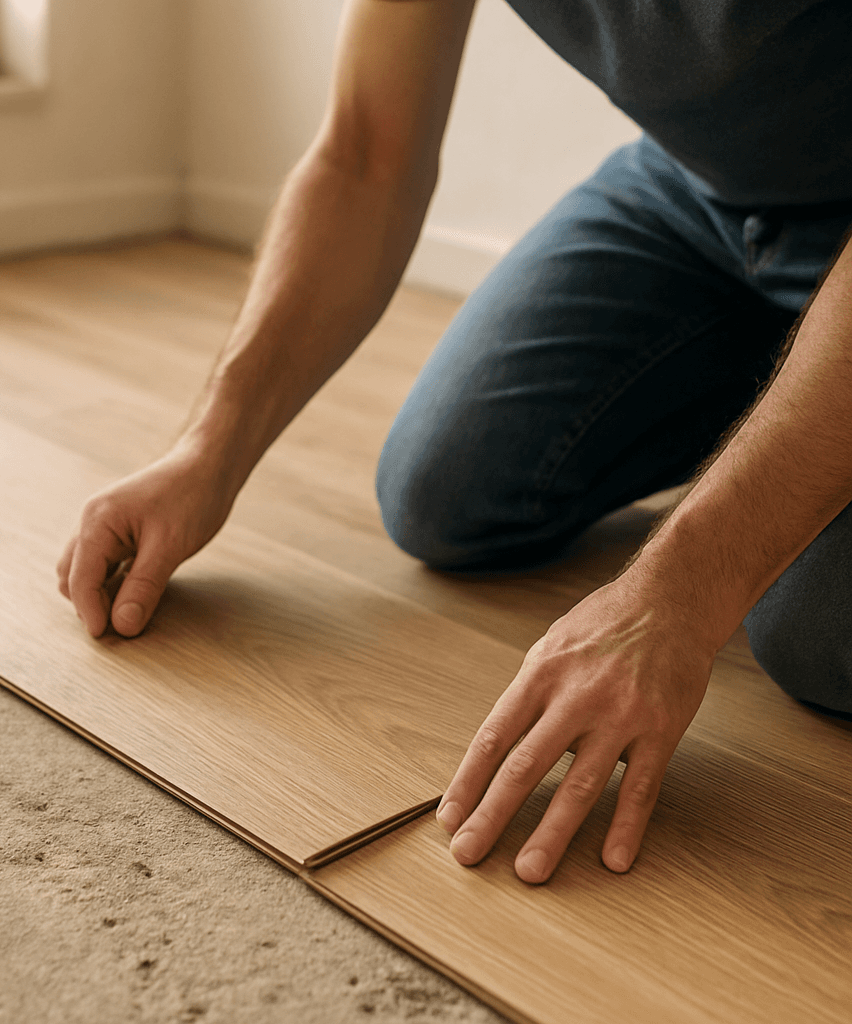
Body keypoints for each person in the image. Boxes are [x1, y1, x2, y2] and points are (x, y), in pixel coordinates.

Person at [57, 0, 852, 885]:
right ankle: (791, 383)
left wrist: (680, 593)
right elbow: (365, 150)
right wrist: (206, 449)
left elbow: (695, 596)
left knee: (815, 636)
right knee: (448, 494)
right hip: (700, 194)